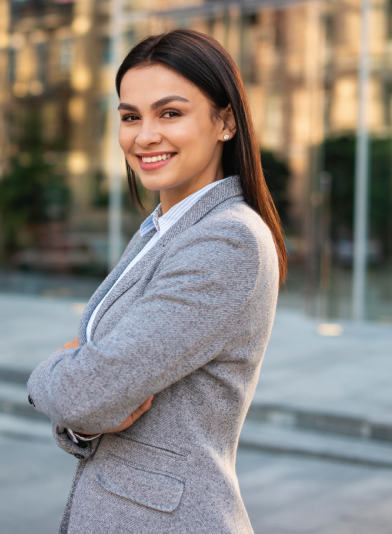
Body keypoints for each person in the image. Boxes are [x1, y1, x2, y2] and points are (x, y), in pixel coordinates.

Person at [27, 28, 286, 534]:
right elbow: (94, 400)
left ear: (225, 121)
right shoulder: (164, 227)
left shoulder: (225, 241)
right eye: (130, 117)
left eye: (170, 113)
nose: (144, 135)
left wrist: (48, 374)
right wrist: (84, 414)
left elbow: (89, 389)